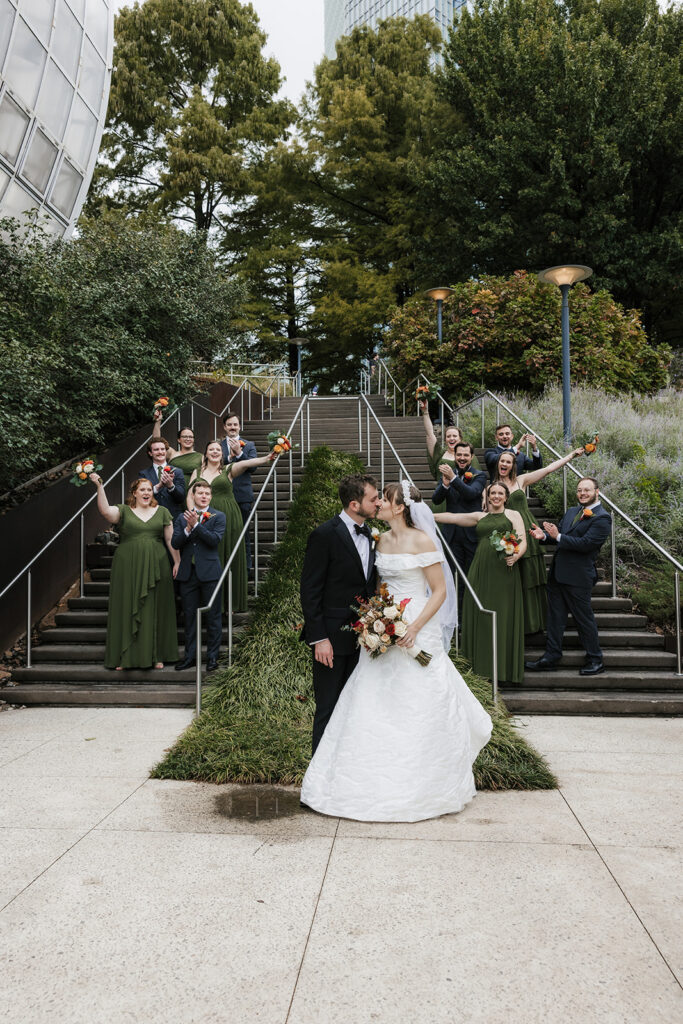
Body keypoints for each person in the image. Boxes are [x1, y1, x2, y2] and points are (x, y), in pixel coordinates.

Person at [300, 480, 492, 822]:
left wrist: (413, 627)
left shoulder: (422, 539)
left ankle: (423, 781)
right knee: (369, 704)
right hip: (382, 632)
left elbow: (440, 591)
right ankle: (349, 779)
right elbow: (376, 587)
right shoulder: (380, 539)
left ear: (399, 507)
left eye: (383, 500)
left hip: (418, 627)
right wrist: (379, 621)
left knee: (419, 702)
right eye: (375, 500)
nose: (379, 504)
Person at [300, 474, 381, 755]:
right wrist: (319, 638)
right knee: (328, 707)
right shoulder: (324, 534)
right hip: (331, 640)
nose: (379, 503)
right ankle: (317, 783)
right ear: (354, 504)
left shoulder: (372, 534)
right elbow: (310, 591)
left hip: (365, 639)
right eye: (374, 499)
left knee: (355, 708)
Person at [435, 481, 527, 684]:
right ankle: (480, 669)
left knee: (503, 615)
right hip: (480, 570)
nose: (495, 496)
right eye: (492, 493)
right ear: (486, 496)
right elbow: (454, 517)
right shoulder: (480, 516)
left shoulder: (514, 515)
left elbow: (522, 539)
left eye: (499, 493)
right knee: (480, 612)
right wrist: (426, 516)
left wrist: (516, 555)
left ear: (505, 496)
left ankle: (503, 670)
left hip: (504, 571)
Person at [88, 474, 179, 671]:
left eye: (149, 489)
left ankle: (157, 655)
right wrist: (99, 486)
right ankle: (124, 655)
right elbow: (105, 511)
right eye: (142, 489)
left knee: (156, 608)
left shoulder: (162, 511)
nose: (146, 492)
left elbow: (170, 539)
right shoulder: (123, 510)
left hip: (158, 563)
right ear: (134, 493)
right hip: (127, 565)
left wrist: (177, 561)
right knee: (127, 606)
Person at [492, 446, 585, 634]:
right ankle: (514, 621)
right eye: (502, 461)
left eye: (508, 462)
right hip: (506, 532)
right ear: (498, 463)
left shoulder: (521, 481)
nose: (505, 464)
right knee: (511, 578)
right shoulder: (491, 488)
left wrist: (571, 455)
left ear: (513, 465)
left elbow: (549, 469)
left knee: (530, 576)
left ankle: (534, 622)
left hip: (527, 530)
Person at [525, 477, 611, 676]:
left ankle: (596, 659)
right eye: (579, 490)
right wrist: (544, 537)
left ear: (597, 492)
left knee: (584, 619)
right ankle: (551, 656)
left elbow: (586, 544)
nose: (582, 493)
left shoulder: (602, 517)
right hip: (558, 574)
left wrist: (557, 536)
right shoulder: (572, 511)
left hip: (579, 577)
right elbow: (561, 538)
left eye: (587, 490)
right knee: (554, 618)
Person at [188, 441, 274, 613]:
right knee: (210, 556)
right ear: (205, 453)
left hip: (228, 516)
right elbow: (190, 495)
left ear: (222, 453)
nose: (214, 452)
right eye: (211, 449)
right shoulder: (197, 472)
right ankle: (210, 603)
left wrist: (266, 458)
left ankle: (231, 603)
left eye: (218, 450)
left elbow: (246, 463)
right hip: (203, 517)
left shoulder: (227, 470)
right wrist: (193, 514)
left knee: (229, 556)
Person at [173, 480, 226, 672]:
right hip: (188, 574)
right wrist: (188, 528)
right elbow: (176, 543)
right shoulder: (181, 518)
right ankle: (189, 657)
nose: (204, 496)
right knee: (189, 617)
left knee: (213, 617)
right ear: (193, 496)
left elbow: (214, 540)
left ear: (210, 497)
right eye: (200, 493)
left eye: (207, 494)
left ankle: (212, 658)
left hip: (210, 573)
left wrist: (196, 526)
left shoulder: (218, 516)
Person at [431, 442, 487, 601]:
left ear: (472, 457)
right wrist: (445, 486)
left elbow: (471, 493)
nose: (462, 458)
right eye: (459, 455)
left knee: (470, 577)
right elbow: (436, 500)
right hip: (452, 534)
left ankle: (469, 615)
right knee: (451, 577)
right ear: (454, 456)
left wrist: (453, 478)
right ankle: (456, 617)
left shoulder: (479, 476)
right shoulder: (449, 475)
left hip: (472, 536)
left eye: (465, 455)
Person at [420, 402, 482, 513]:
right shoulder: (439, 454)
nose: (451, 438)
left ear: (460, 438)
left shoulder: (469, 457)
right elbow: (430, 434)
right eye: (448, 436)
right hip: (441, 498)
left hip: (460, 500)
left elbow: (477, 481)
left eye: (454, 436)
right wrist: (425, 412)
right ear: (445, 439)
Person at [220, 412, 258, 570]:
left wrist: (240, 454)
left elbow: (254, 467)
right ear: (224, 427)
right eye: (229, 424)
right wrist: (229, 458)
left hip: (242, 496)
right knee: (223, 532)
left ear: (240, 426)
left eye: (235, 424)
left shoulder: (249, 445)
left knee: (243, 533)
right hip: (222, 496)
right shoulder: (218, 446)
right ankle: (225, 567)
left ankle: (246, 568)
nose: (232, 427)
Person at [152, 410, 202, 491]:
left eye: (190, 437)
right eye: (185, 437)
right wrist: (158, 421)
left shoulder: (201, 456)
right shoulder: (172, 453)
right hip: (173, 490)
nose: (188, 439)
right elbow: (156, 441)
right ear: (179, 439)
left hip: (193, 491)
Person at [138, 439, 186, 515]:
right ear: (150, 453)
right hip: (151, 515)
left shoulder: (177, 471)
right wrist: (158, 486)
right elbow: (141, 496)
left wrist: (171, 486)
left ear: (166, 452)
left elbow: (181, 498)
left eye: (163, 449)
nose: (160, 452)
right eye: (156, 450)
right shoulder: (143, 474)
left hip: (173, 517)